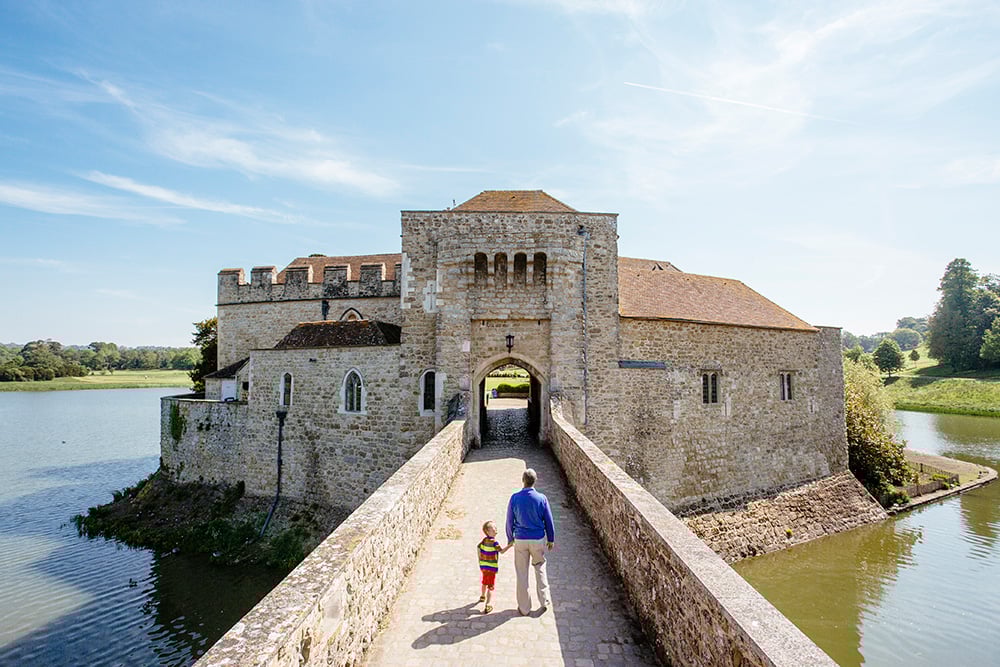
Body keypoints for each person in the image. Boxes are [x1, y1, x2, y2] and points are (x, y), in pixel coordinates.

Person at [505, 468, 555, 615]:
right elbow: (549, 520)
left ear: (523, 480)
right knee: (540, 568)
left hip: (520, 539)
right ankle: (544, 600)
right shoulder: (542, 498)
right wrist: (550, 539)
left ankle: (524, 608)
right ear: (535, 480)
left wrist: (510, 538)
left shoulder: (515, 498)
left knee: (522, 574)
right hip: (537, 539)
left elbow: (509, 520)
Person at [477, 520, 510, 613]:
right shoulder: (494, 542)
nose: (496, 529)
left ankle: (482, 596)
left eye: (496, 528)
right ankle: (488, 604)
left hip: (483, 567)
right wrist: (510, 545)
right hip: (491, 568)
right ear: (487, 531)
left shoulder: (484, 540)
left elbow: (478, 547)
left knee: (484, 582)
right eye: (493, 528)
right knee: (491, 586)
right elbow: (502, 551)